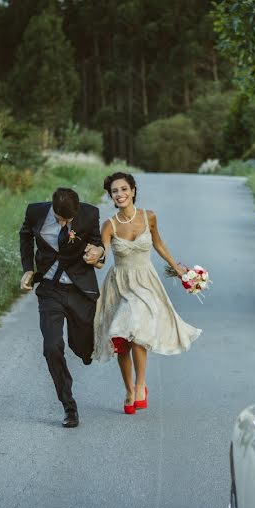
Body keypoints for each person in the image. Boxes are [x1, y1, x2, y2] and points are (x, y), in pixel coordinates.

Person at [92, 172, 201, 413]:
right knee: (121, 338)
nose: (119, 194)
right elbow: (103, 257)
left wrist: (178, 268)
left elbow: (159, 244)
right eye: (114, 192)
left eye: (123, 189)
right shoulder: (108, 226)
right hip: (120, 284)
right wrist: (93, 258)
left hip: (146, 283)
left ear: (133, 191)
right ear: (111, 196)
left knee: (137, 330)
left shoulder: (148, 217)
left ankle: (141, 386)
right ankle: (129, 389)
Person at [20, 187, 106, 428]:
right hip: (50, 291)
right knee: (52, 346)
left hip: (80, 291)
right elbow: (25, 235)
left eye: (67, 220)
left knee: (82, 347)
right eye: (59, 218)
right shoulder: (35, 212)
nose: (63, 223)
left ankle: (84, 350)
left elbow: (98, 245)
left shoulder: (90, 214)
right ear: (52, 207)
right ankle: (69, 406)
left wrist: (98, 254)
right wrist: (28, 268)